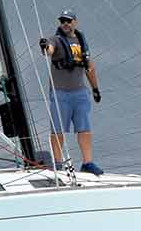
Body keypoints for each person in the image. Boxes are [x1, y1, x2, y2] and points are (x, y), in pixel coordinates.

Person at [40, 10, 102, 175]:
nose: (65, 24)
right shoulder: (56, 39)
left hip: (80, 93)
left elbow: (89, 67)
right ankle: (58, 164)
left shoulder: (81, 41)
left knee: (84, 129)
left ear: (75, 22)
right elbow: (49, 49)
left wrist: (95, 88)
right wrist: (45, 47)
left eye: (68, 21)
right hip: (61, 93)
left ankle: (88, 162)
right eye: (62, 21)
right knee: (58, 130)